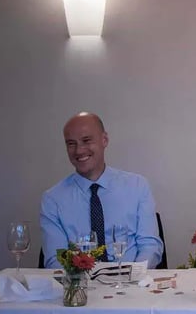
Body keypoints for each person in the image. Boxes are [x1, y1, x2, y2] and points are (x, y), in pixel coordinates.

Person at [40, 112, 164, 268]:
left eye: (86, 140)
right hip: (80, 287)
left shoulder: (137, 186)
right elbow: (54, 260)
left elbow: (150, 245)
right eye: (71, 143)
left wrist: (133, 277)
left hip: (130, 283)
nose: (79, 151)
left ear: (104, 140)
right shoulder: (53, 199)